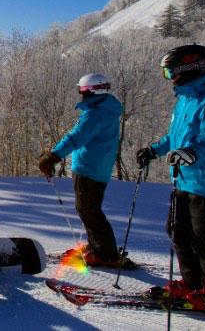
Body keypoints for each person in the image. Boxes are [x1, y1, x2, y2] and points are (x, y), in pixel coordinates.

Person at [136, 44, 205, 314]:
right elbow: (178, 136)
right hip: (187, 180)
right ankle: (194, 284)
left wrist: (194, 152)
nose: (170, 78)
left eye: (171, 72)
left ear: (192, 68)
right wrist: (155, 150)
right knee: (179, 233)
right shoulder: (188, 98)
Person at [38, 73, 135, 269]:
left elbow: (75, 138)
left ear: (91, 92)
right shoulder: (105, 109)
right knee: (88, 208)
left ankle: (106, 253)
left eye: (82, 90)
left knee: (89, 210)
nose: (81, 95)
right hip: (97, 167)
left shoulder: (95, 114)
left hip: (89, 168)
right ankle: (97, 246)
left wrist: (54, 156)